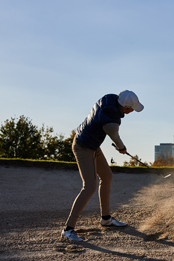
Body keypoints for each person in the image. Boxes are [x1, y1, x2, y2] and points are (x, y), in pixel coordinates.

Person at [61, 90, 144, 242]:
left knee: (106, 176)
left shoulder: (111, 98)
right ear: (125, 107)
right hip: (83, 146)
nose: (132, 111)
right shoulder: (112, 123)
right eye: (132, 108)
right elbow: (116, 138)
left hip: (92, 144)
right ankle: (68, 229)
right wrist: (122, 148)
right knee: (89, 186)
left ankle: (106, 218)